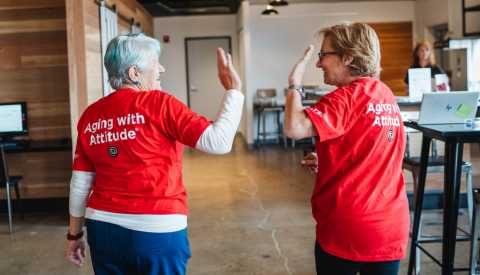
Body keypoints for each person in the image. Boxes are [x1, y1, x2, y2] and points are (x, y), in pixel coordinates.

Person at [65, 33, 244, 275]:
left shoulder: (90, 115)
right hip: (156, 229)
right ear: (134, 73)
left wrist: (75, 234)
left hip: (102, 228)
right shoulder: (160, 104)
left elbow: (80, 183)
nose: (161, 68)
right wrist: (233, 90)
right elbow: (219, 141)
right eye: (155, 61)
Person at [284, 22, 409, 275]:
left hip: (350, 228)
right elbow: (372, 146)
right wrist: (328, 157)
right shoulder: (384, 94)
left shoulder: (345, 97)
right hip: (390, 226)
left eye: (323, 56)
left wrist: (294, 83)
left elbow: (294, 128)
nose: (319, 64)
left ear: (347, 58)